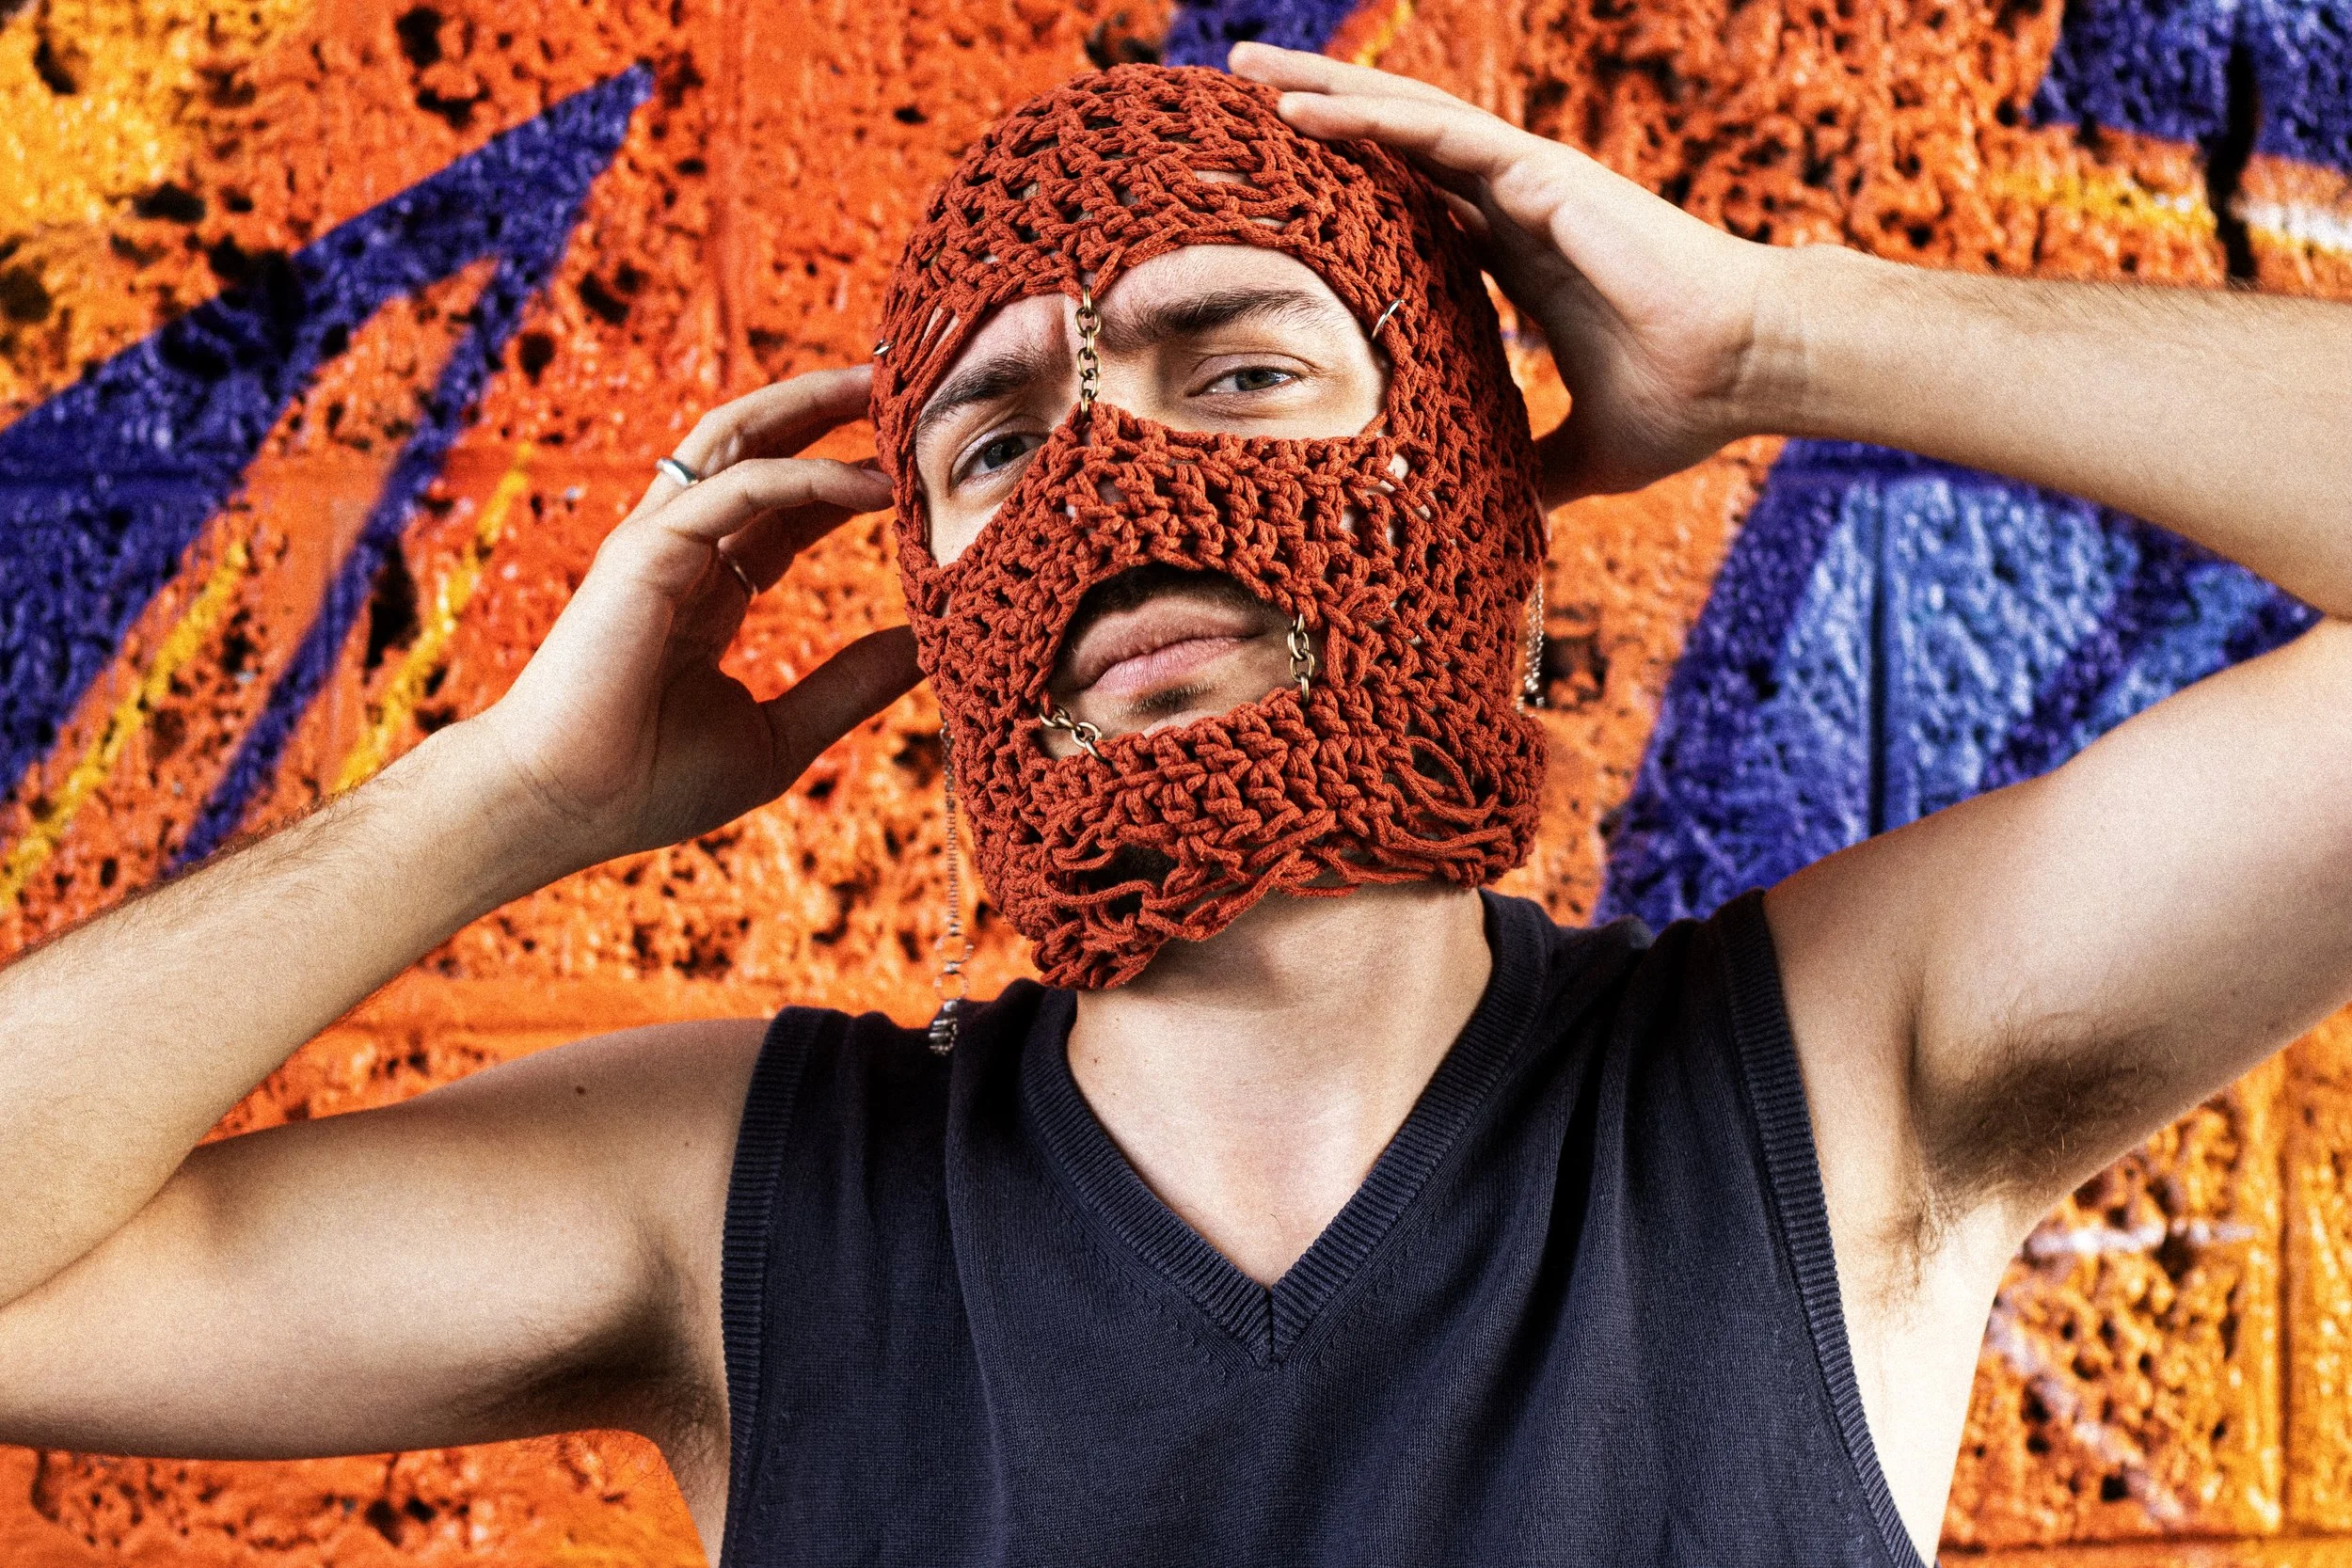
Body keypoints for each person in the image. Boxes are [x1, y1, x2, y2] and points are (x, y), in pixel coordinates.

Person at [2, 43, 2348, 1567]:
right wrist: (509, 795)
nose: (1117, 479)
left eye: (1237, 362)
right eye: (998, 441)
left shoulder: (1820, 1081)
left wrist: (1778, 338)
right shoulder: (748, 1203)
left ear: (1457, 472)